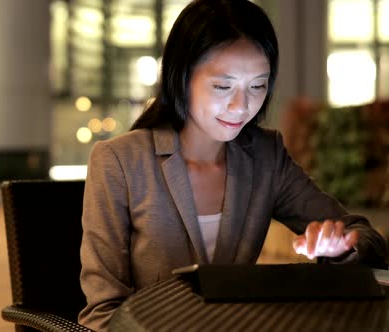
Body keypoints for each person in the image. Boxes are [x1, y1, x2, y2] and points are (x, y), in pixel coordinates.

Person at [78, 0, 389, 330]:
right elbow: (103, 312)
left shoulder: (266, 157)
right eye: (223, 86)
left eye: (258, 85)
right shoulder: (120, 161)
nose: (242, 106)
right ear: (181, 77)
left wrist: (343, 245)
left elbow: (366, 236)